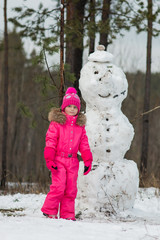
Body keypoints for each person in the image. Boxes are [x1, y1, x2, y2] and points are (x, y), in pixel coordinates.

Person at [41, 87, 93, 220]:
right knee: (58, 186)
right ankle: (50, 210)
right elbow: (51, 140)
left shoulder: (79, 126)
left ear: (78, 109)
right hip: (58, 159)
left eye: (75, 107)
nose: (72, 109)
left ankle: (68, 214)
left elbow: (84, 143)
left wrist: (87, 160)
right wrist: (49, 159)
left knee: (70, 190)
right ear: (64, 107)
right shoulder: (57, 123)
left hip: (73, 161)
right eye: (69, 106)